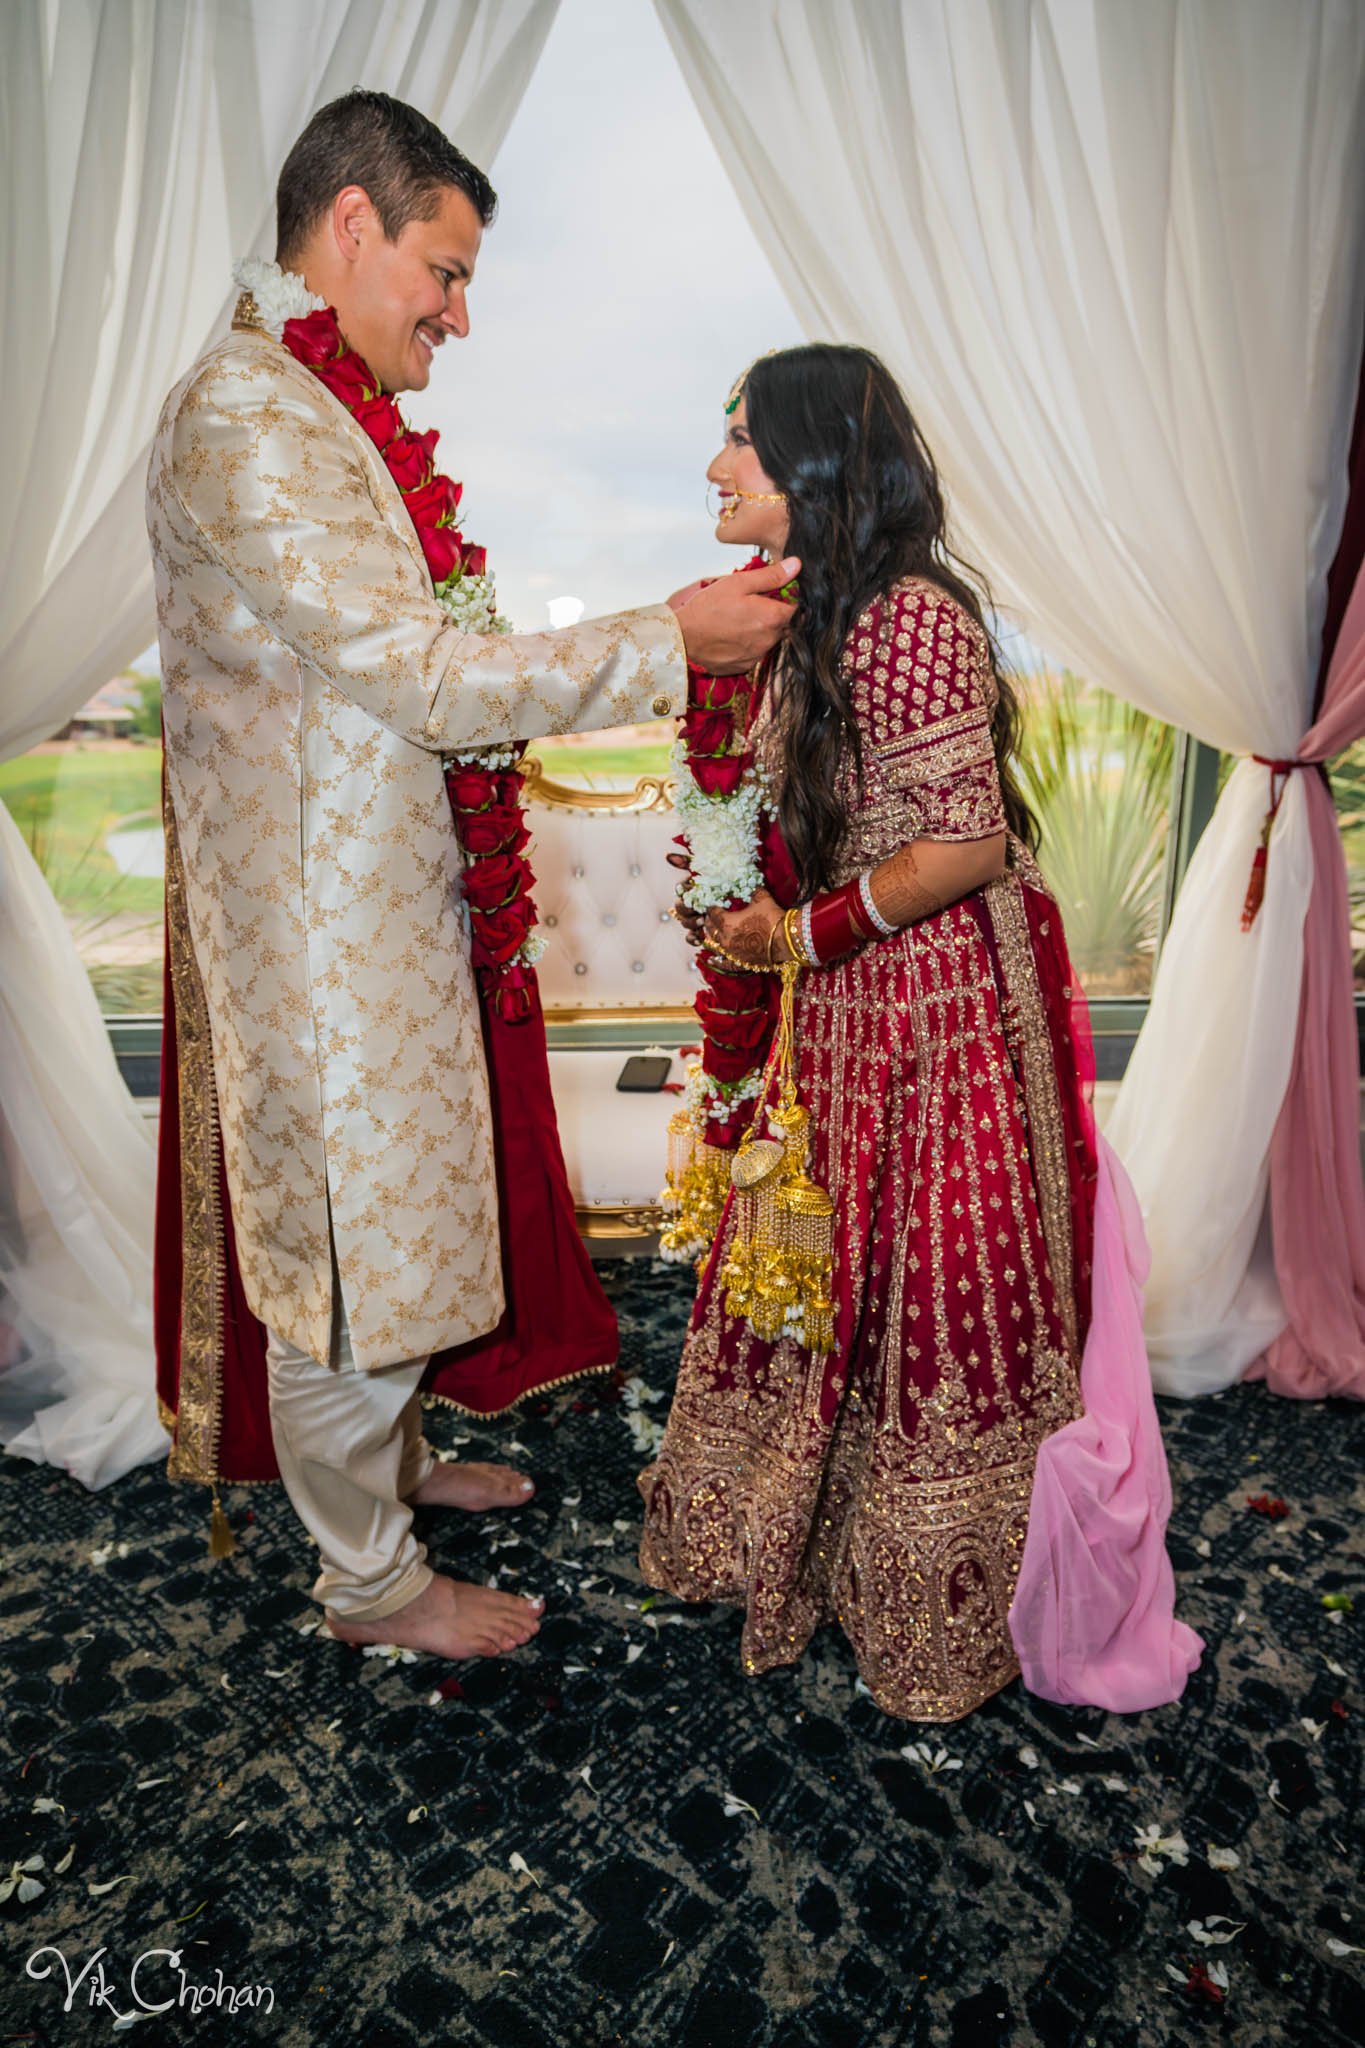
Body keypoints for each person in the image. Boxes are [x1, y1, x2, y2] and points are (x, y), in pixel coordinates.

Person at [146, 90, 798, 1665]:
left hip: (375, 909)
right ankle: (366, 1585)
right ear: (353, 224)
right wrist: (673, 640)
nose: (457, 312)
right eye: (444, 270)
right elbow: (419, 679)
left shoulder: (317, 405)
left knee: (406, 1236)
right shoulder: (247, 410)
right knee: (346, 1262)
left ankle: (398, 1468)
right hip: (314, 932)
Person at [639, 344, 1199, 1721]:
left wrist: (797, 935)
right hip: (840, 1005)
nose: (715, 471)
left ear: (819, 468)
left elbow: (961, 844)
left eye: (744, 449)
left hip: (934, 1001)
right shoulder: (808, 613)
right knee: (827, 1263)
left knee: (925, 1275)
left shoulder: (904, 619)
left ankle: (937, 1584)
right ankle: (810, 1541)